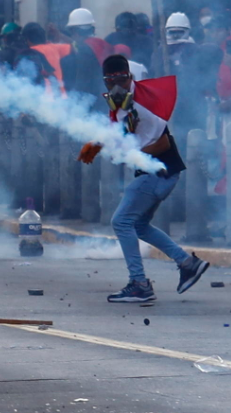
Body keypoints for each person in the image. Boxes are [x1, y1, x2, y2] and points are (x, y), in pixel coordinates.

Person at [80, 55, 209, 303]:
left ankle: (139, 284)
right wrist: (98, 144)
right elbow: (124, 130)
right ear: (105, 82)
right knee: (138, 225)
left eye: (121, 79)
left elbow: (161, 143)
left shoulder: (140, 105)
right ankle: (187, 263)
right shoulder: (126, 102)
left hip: (158, 173)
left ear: (130, 77)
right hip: (158, 173)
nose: (117, 86)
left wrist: (130, 153)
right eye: (111, 81)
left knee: (121, 221)